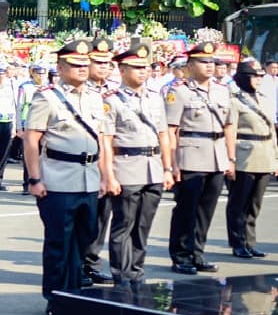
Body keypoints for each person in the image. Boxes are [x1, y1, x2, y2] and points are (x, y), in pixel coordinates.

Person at [23, 40, 107, 315]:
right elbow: (32, 140)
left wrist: (105, 176)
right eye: (75, 64)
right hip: (58, 179)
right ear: (60, 67)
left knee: (86, 238)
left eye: (86, 64)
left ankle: (75, 292)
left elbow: (102, 140)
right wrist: (35, 178)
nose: (83, 69)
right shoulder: (46, 97)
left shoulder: (95, 97)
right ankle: (57, 297)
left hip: (89, 178)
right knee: (59, 242)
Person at [102, 44, 174, 288]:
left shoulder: (155, 97)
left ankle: (136, 270)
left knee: (143, 225)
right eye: (136, 68)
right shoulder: (112, 100)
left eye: (145, 68)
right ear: (122, 70)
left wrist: (167, 168)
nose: (143, 72)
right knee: (124, 224)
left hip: (152, 167)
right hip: (126, 166)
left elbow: (163, 134)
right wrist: (109, 175)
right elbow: (107, 140)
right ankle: (121, 274)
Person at [165, 41, 236, 275]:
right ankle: (181, 255)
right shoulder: (180, 91)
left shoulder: (222, 90)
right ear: (190, 65)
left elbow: (229, 126)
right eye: (203, 62)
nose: (209, 66)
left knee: (206, 209)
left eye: (212, 62)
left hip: (216, 155)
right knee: (187, 208)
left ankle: (198, 253)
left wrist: (230, 158)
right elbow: (171, 130)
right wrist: (172, 164)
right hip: (191, 155)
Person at [226, 61, 278, 259]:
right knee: (239, 203)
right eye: (254, 76)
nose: (258, 80)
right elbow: (230, 129)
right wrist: (230, 158)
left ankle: (250, 241)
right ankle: (238, 242)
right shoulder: (235, 101)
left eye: (259, 76)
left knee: (255, 204)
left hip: (264, 154)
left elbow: (271, 130)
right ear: (243, 78)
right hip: (244, 155)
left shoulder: (265, 99)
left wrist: (276, 157)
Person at [82, 37, 116, 286]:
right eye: (98, 62)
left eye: (107, 62)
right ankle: (79, 265)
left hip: (111, 162)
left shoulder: (113, 92)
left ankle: (92, 263)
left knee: (103, 217)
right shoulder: (78, 90)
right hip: (84, 163)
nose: (103, 67)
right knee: (84, 218)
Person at [16, 64, 49, 194]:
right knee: (29, 155)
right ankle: (27, 183)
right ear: (33, 74)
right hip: (28, 124)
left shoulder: (49, 88)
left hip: (45, 126)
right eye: (38, 74)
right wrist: (19, 127)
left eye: (43, 74)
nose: (41, 76)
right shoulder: (25, 87)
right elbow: (19, 107)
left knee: (45, 155)